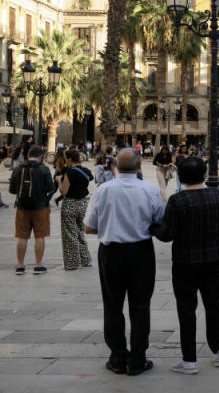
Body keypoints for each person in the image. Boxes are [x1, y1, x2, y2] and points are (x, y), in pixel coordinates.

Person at [152, 156, 219, 375]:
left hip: (185, 262)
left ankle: (189, 360)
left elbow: (167, 234)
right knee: (213, 304)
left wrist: (152, 226)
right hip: (214, 259)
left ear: (181, 176)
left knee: (186, 310)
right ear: (204, 174)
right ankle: (218, 351)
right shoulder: (217, 194)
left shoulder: (177, 200)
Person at [84, 148, 165, 376]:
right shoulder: (149, 190)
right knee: (140, 307)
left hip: (111, 253)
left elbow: (89, 226)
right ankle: (137, 360)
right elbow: (161, 221)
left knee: (112, 306)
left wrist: (112, 224)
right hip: (141, 252)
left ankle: (118, 358)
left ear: (115, 167)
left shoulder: (103, 190)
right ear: (140, 167)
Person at [9, 145, 57, 275]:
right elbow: (50, 188)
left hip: (22, 207)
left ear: (28, 155)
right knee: (40, 236)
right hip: (40, 207)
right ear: (41, 156)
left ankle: (20, 266)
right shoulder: (44, 169)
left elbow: (12, 190)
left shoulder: (18, 168)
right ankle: (38, 265)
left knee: (22, 236)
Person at [60, 149, 93, 271]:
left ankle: (73, 263)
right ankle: (85, 259)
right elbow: (89, 180)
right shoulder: (87, 171)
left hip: (70, 204)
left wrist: (59, 182)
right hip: (83, 204)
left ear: (69, 159)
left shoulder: (69, 172)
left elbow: (64, 191)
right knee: (80, 231)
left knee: (70, 234)